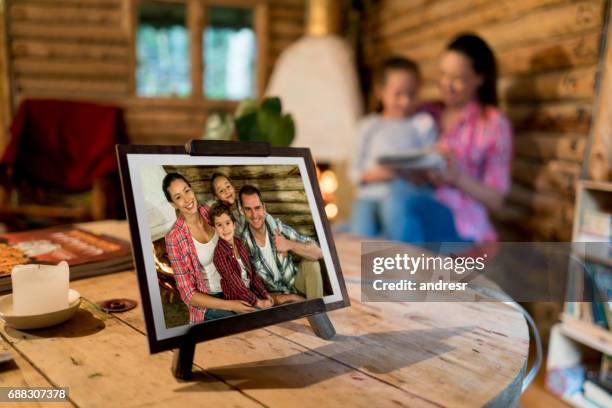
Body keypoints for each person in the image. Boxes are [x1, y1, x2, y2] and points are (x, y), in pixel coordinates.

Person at [393, 33, 512, 243]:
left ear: (480, 78)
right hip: (419, 206)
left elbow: (497, 201)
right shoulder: (425, 112)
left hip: (462, 224)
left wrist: (456, 177)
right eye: (443, 74)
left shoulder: (493, 123)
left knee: (407, 208)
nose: (446, 84)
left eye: (457, 79)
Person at [348, 57, 437, 240]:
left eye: (412, 94)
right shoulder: (368, 126)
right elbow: (353, 172)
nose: (405, 102)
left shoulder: (421, 124)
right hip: (369, 197)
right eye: (398, 94)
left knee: (399, 219)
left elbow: (431, 163)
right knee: (360, 232)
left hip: (406, 195)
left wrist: (418, 174)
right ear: (380, 92)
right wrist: (378, 174)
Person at [163, 172, 255, 324]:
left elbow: (230, 205)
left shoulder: (209, 212)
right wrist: (231, 305)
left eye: (187, 191)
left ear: (192, 189)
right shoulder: (174, 238)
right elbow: (189, 295)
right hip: (211, 302)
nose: (187, 199)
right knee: (244, 324)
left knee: (262, 317)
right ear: (173, 204)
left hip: (235, 287)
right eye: (178, 197)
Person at [237, 184, 323, 303]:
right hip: (275, 299)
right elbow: (251, 289)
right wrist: (289, 298)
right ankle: (313, 311)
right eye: (248, 209)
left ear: (264, 208)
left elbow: (318, 252)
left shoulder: (277, 229)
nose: (254, 215)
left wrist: (289, 244)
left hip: (296, 285)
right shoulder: (243, 245)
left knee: (311, 262)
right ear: (242, 211)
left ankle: (317, 312)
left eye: (257, 208)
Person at [210, 202, 274, 308]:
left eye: (227, 223)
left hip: (251, 292)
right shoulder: (219, 255)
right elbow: (236, 285)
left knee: (276, 304)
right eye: (219, 225)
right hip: (237, 299)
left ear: (234, 224)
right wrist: (258, 302)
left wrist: (264, 293)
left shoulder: (239, 243)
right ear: (215, 229)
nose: (225, 229)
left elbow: (252, 274)